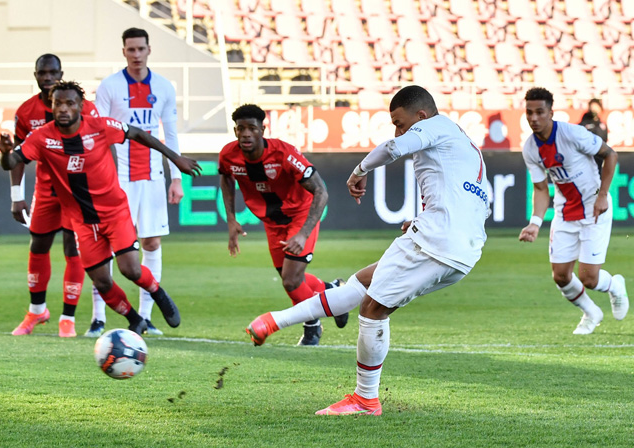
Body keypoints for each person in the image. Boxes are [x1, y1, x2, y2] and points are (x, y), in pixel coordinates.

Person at [246, 85, 490, 415]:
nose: (398, 129)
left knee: (373, 309)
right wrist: (422, 220)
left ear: (420, 115)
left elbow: (393, 147)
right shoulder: (463, 146)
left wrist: (359, 171)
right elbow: (476, 202)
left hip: (438, 240)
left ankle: (365, 399)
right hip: (463, 250)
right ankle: (273, 321)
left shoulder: (434, 125)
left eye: (400, 122)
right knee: (361, 284)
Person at [0, 80, 202, 335]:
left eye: (69, 103)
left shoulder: (100, 127)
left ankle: (156, 291)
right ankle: (134, 319)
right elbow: (12, 161)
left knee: (131, 269)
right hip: (82, 221)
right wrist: (6, 153)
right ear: (51, 106)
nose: (63, 108)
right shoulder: (42, 138)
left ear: (81, 106)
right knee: (102, 281)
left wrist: (175, 158)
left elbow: (137, 133)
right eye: (57, 103)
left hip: (114, 212)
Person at [219, 104, 347, 346]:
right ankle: (333, 293)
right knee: (290, 278)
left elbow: (321, 191)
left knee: (290, 280)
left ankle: (312, 327)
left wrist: (303, 233)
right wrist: (231, 219)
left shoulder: (284, 154)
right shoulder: (228, 155)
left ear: (262, 130)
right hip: (272, 222)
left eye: (252, 128)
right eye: (241, 129)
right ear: (235, 131)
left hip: (299, 215)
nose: (246, 134)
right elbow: (225, 176)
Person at [87, 27, 185, 337]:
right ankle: (99, 317)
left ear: (149, 49)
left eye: (141, 49)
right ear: (124, 51)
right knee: (107, 247)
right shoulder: (110, 86)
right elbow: (96, 132)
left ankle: (146, 316)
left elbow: (170, 134)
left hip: (153, 178)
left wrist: (176, 178)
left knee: (151, 243)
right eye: (131, 50)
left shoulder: (165, 87)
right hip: (116, 180)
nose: (136, 55)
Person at [519, 87, 628, 335]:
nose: (534, 118)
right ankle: (591, 314)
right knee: (560, 276)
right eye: (529, 113)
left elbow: (610, 155)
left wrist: (602, 195)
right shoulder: (530, 148)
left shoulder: (572, 134)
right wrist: (535, 222)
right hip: (565, 213)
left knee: (589, 278)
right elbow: (540, 188)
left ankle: (615, 285)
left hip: (594, 209)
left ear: (551, 112)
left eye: (539, 112)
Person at [8, 54, 99, 338]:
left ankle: (67, 319)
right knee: (38, 246)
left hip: (77, 191)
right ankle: (37, 311)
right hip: (46, 190)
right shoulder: (26, 113)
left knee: (73, 248)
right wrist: (16, 195)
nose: (47, 78)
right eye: (41, 73)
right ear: (35, 75)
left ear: (61, 74)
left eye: (52, 73)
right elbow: (18, 156)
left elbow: (99, 149)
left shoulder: (85, 109)